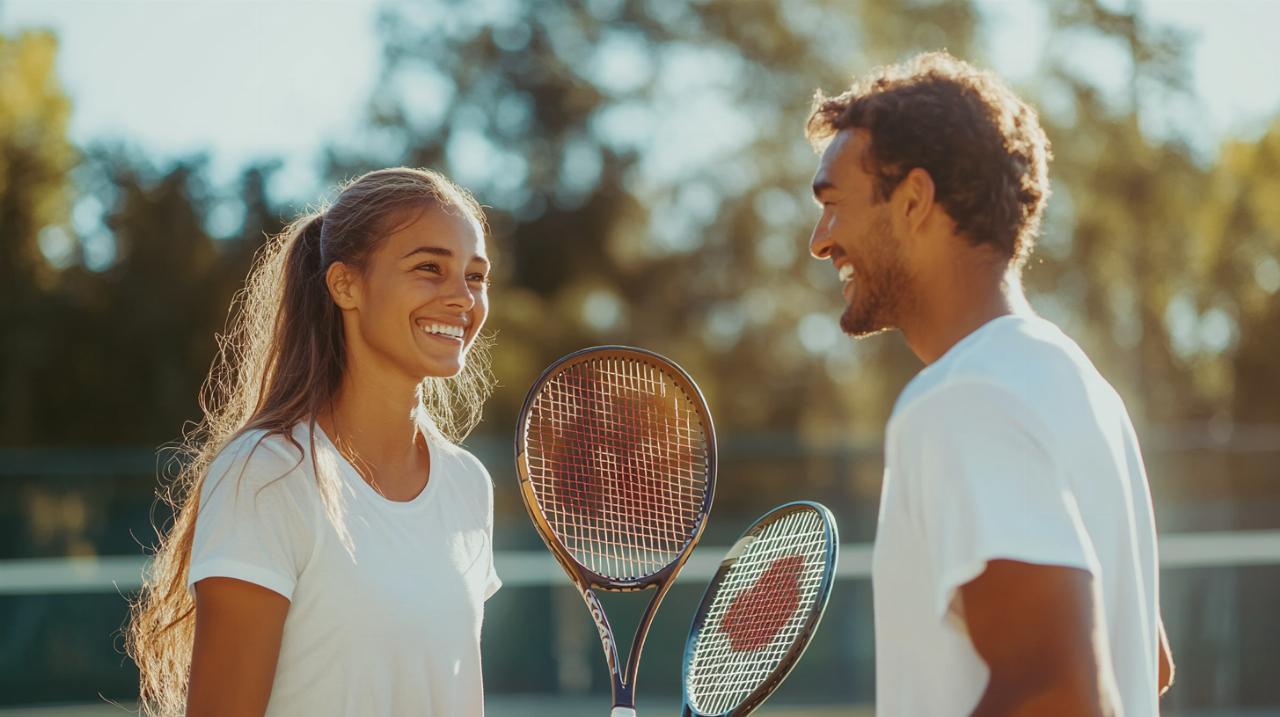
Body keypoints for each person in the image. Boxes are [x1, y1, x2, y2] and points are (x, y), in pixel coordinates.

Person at [804, 52, 1174, 716]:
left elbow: (1061, 693)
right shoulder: (1084, 390)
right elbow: (1144, 659)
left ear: (914, 200)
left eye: (833, 203)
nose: (819, 240)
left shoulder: (959, 400)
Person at [127, 168, 501, 716]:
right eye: (429, 268)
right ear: (345, 284)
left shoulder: (469, 485)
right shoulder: (266, 475)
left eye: (476, 276)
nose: (462, 298)